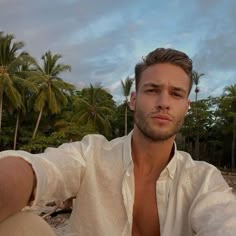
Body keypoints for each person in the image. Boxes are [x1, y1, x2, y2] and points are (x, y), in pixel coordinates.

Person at [0, 48, 235, 236]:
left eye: (176, 94)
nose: (164, 102)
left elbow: (224, 221)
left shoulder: (203, 180)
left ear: (187, 106)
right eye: (152, 90)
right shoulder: (91, 154)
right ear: (133, 100)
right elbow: (42, 169)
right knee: (19, 226)